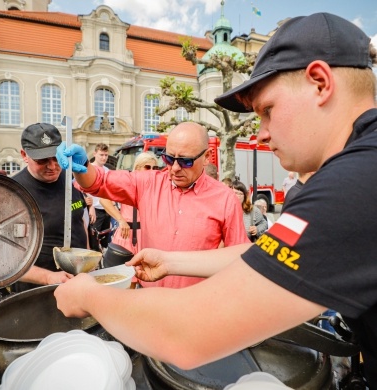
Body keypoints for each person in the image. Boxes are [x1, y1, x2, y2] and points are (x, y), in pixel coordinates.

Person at [54, 14, 377, 387]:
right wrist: (172, 260)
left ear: (320, 82)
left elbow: (191, 334)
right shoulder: (361, 167)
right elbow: (259, 256)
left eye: (267, 110)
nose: (264, 134)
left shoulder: (351, 184)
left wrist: (91, 297)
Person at [56, 121, 248, 289]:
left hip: (195, 301)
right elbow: (101, 181)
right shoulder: (148, 183)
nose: (174, 168)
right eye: (169, 158)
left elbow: (238, 258)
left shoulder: (224, 198)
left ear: (206, 157)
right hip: (148, 295)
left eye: (186, 162)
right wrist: (83, 168)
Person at [12, 123, 88, 292]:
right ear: (24, 155)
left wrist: (88, 259)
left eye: (56, 158)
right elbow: (6, 260)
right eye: (42, 160)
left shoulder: (70, 180)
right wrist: (48, 277)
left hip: (77, 284)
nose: (52, 166)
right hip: (35, 292)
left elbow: (79, 221)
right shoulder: (13, 194)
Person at [100, 152, 159, 258]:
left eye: (154, 167)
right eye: (147, 167)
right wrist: (121, 220)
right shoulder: (128, 182)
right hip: (126, 235)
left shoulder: (156, 186)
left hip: (147, 237)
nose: (151, 171)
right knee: (124, 271)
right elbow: (104, 200)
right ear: (137, 168)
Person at [87, 143, 112, 251]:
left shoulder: (108, 170)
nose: (104, 157)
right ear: (95, 154)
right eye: (101, 155)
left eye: (106, 155)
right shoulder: (89, 169)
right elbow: (83, 189)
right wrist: (90, 206)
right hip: (95, 210)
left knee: (105, 240)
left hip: (107, 209)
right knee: (94, 240)